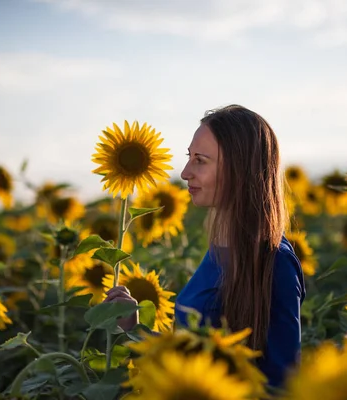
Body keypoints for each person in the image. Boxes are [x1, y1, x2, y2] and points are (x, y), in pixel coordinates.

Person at [104, 104, 305, 388]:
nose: (185, 172)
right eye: (189, 157)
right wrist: (134, 327)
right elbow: (195, 361)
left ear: (239, 169)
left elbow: (282, 384)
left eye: (200, 160)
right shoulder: (220, 250)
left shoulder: (274, 261)